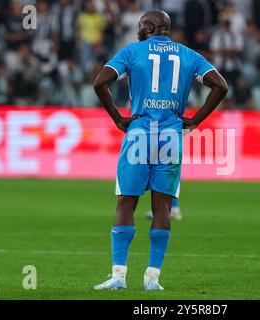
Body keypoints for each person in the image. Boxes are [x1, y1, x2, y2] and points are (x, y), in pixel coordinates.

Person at [93, 10, 228, 291]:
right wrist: (195, 120)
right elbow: (220, 86)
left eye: (141, 25)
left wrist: (118, 118)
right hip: (171, 137)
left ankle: (118, 276)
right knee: (163, 207)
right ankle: (152, 279)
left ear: (151, 27)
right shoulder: (189, 55)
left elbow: (99, 82)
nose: (138, 30)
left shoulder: (132, 52)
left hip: (139, 135)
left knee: (126, 203)